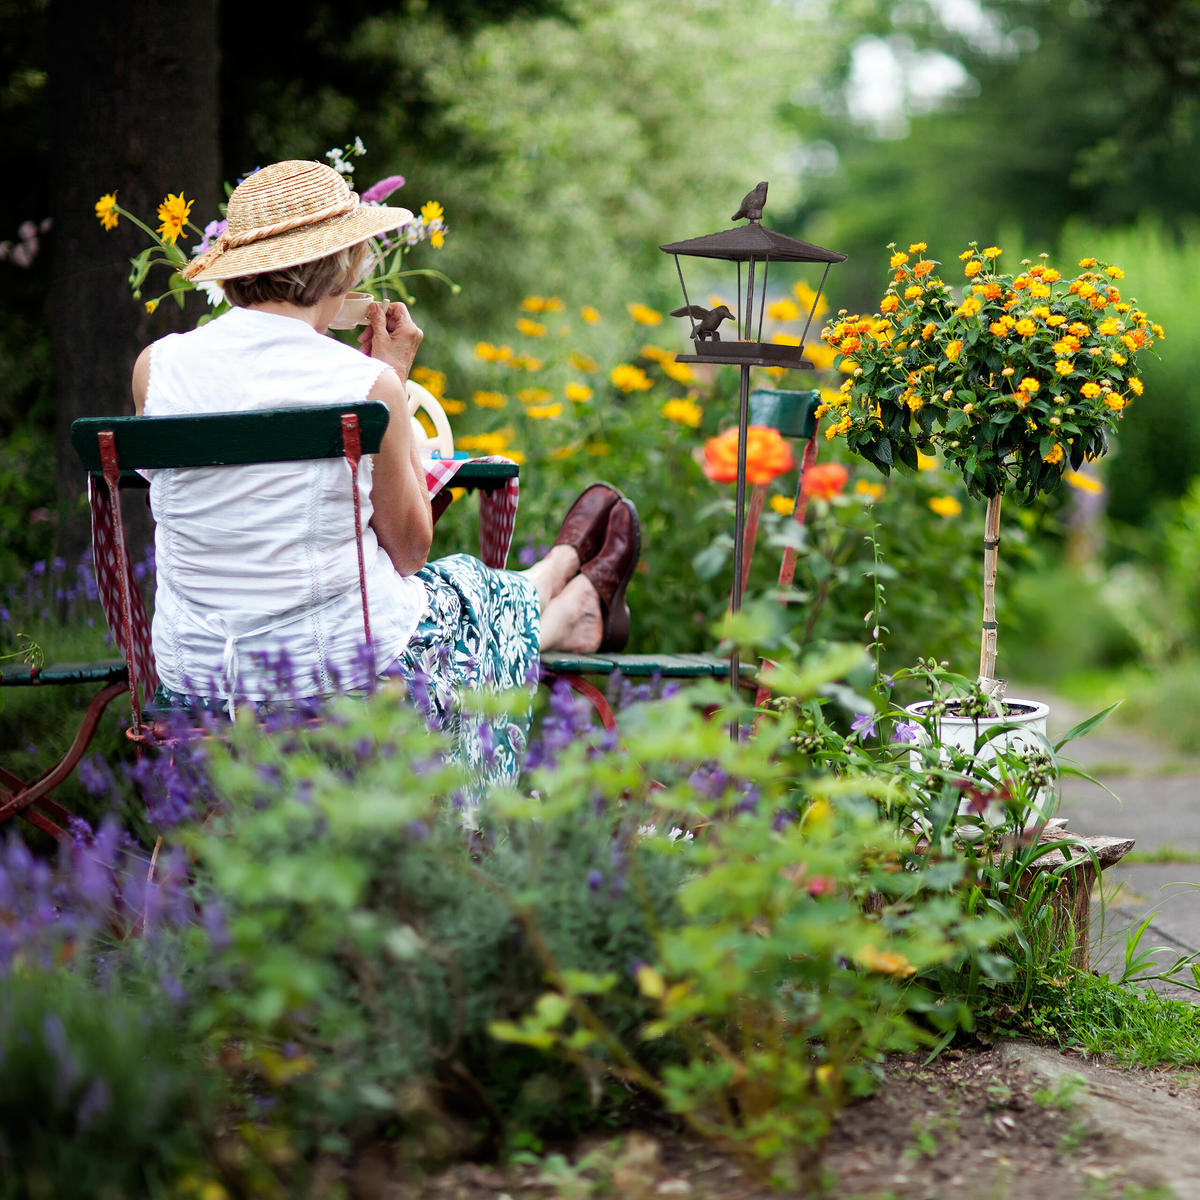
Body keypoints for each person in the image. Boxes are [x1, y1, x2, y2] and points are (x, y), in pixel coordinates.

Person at [131, 159, 639, 787]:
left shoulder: (157, 367)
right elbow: (407, 550)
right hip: (334, 669)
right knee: (470, 586)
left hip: (198, 673)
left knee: (463, 592)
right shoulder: (364, 384)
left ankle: (563, 589)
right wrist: (391, 385)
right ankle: (561, 599)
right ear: (343, 267)